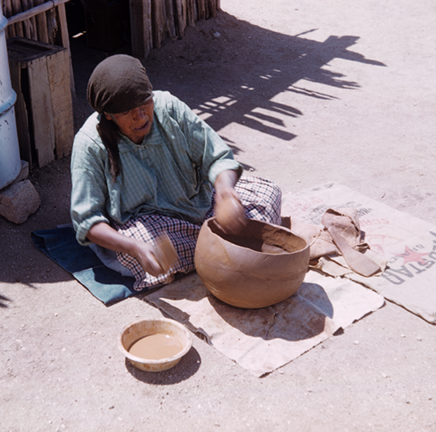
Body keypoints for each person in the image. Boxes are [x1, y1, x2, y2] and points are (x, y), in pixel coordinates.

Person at [70, 54, 282, 291]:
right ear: (108, 114)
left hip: (201, 204)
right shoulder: (89, 144)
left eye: (144, 104)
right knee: (149, 251)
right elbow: (87, 222)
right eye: (128, 112)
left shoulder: (168, 107)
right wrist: (134, 248)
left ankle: (214, 250)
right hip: (151, 224)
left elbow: (218, 157)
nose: (140, 116)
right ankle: (222, 249)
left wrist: (225, 193)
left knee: (269, 192)